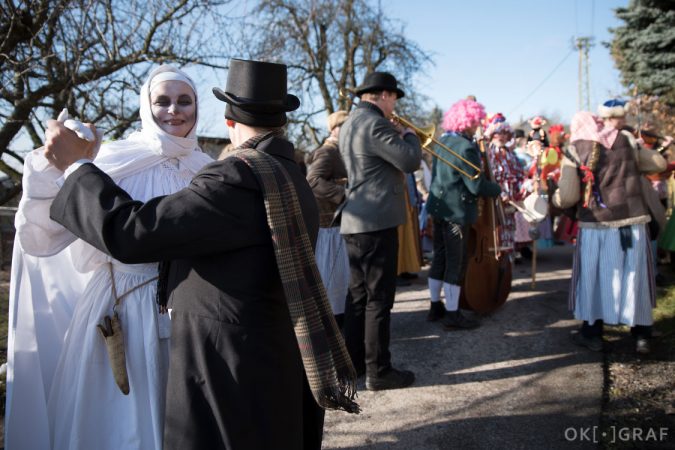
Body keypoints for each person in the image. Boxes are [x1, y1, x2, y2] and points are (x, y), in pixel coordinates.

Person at [42, 58, 358, 450]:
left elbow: (134, 232)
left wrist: (76, 167)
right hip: (268, 349)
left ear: (229, 121)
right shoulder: (288, 173)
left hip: (229, 363)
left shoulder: (235, 177)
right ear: (281, 122)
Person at [4, 65, 213, 450]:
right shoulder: (111, 160)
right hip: (123, 306)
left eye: (184, 101)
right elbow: (46, 233)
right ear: (146, 107)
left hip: (189, 311)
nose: (174, 111)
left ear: (198, 107)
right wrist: (53, 168)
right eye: (162, 101)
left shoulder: (208, 171)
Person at [553, 104, 667, 355]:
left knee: (594, 277)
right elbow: (658, 162)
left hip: (596, 225)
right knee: (634, 276)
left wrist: (555, 200)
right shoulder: (626, 140)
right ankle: (642, 335)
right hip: (632, 221)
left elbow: (570, 195)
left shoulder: (574, 149)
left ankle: (592, 334)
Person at [338, 71, 421, 390]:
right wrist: (409, 134)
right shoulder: (375, 123)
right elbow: (410, 161)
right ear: (384, 95)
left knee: (358, 297)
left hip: (357, 221)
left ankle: (355, 364)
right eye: (394, 99)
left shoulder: (351, 122)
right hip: (375, 223)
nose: (394, 106)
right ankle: (379, 371)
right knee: (379, 299)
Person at [425, 98, 501, 328]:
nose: (477, 123)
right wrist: (496, 188)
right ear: (468, 121)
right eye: (476, 120)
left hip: (438, 208)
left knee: (439, 257)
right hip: (456, 212)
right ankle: (452, 314)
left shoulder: (443, 140)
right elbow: (475, 186)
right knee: (456, 263)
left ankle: (434, 307)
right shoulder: (466, 148)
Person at [306, 110, 350, 327]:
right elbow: (313, 180)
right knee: (333, 282)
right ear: (335, 129)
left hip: (338, 225)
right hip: (329, 226)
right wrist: (344, 194)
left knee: (341, 282)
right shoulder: (328, 151)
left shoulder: (340, 151)